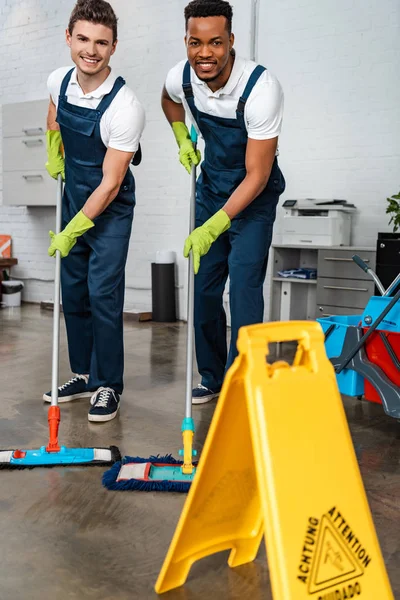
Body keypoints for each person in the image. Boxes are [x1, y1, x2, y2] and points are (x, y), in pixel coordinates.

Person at [162, 0, 285, 404]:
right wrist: (182, 136)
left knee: (244, 288)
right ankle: (213, 377)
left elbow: (258, 174)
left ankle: (244, 380)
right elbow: (168, 100)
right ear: (186, 41)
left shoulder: (261, 89)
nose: (205, 53)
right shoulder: (182, 77)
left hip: (254, 201)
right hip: (211, 189)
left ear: (231, 40)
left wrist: (216, 223)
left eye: (216, 42)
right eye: (195, 43)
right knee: (204, 290)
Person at [44, 0, 145, 422]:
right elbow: (53, 116)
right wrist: (54, 151)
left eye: (101, 42)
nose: (91, 50)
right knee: (73, 290)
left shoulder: (126, 106)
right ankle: (84, 374)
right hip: (73, 196)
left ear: (114, 46)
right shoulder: (58, 80)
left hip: (110, 209)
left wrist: (73, 230)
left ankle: (109, 385)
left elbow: (111, 183)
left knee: (103, 293)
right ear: (69, 38)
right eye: (83, 39)